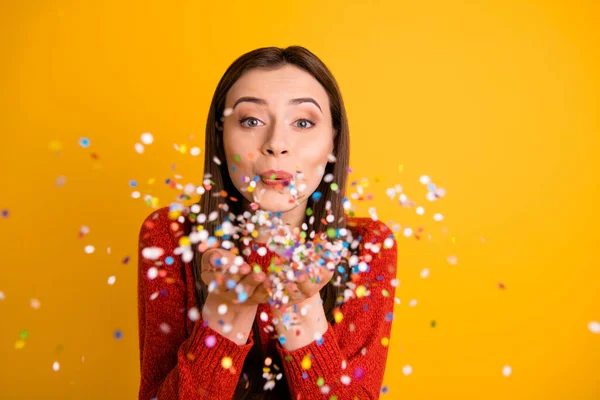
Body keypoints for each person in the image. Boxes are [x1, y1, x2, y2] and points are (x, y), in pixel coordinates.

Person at [137, 46, 398, 400]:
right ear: (221, 135)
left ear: (333, 139)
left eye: (303, 122)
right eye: (251, 121)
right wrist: (226, 313)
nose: (276, 144)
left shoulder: (367, 246)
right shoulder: (169, 237)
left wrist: (299, 308)